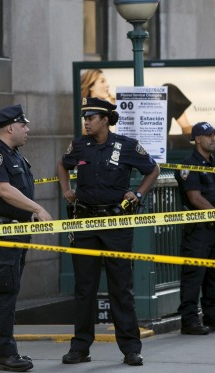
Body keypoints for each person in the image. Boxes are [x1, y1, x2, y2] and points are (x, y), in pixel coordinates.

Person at [57, 97, 160, 366]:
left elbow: (153, 169)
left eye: (91, 118)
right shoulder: (79, 145)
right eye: (85, 118)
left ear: (104, 120)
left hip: (116, 222)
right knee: (85, 288)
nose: (86, 122)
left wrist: (138, 193)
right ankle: (80, 347)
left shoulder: (126, 145)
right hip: (86, 223)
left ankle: (130, 349)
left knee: (120, 287)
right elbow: (62, 165)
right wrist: (65, 188)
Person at [0, 104, 53, 371]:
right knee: (4, 290)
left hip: (17, 231)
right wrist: (37, 208)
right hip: (1, 233)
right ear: (10, 127)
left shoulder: (15, 155)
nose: (27, 130)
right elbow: (4, 191)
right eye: (23, 125)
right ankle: (6, 353)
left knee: (5, 290)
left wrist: (27, 215)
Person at [174, 122, 215, 335]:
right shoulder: (188, 165)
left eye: (214, 135)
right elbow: (195, 197)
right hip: (199, 230)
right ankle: (190, 321)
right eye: (209, 135)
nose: (213, 138)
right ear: (197, 139)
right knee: (194, 276)